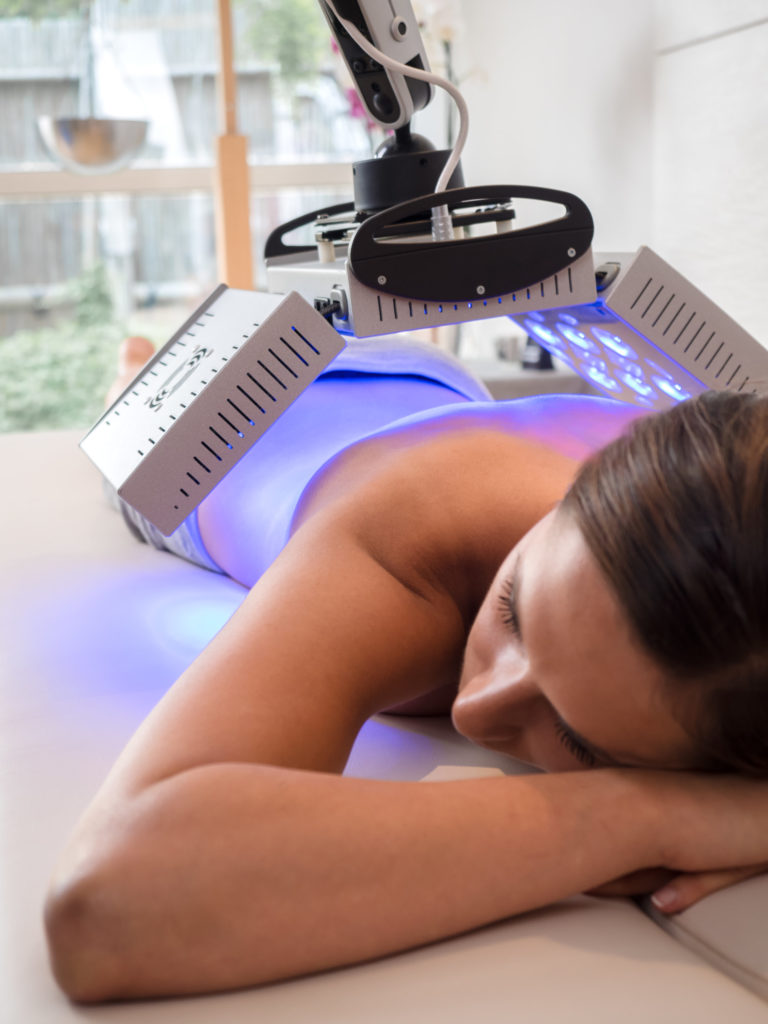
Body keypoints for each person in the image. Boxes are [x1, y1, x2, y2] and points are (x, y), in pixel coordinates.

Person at [44, 333, 768, 1003]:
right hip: (206, 433)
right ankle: (132, 368)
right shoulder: (407, 548)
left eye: (577, 739)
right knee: (131, 402)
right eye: (512, 609)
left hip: (422, 384)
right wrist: (649, 815)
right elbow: (109, 906)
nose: (472, 710)